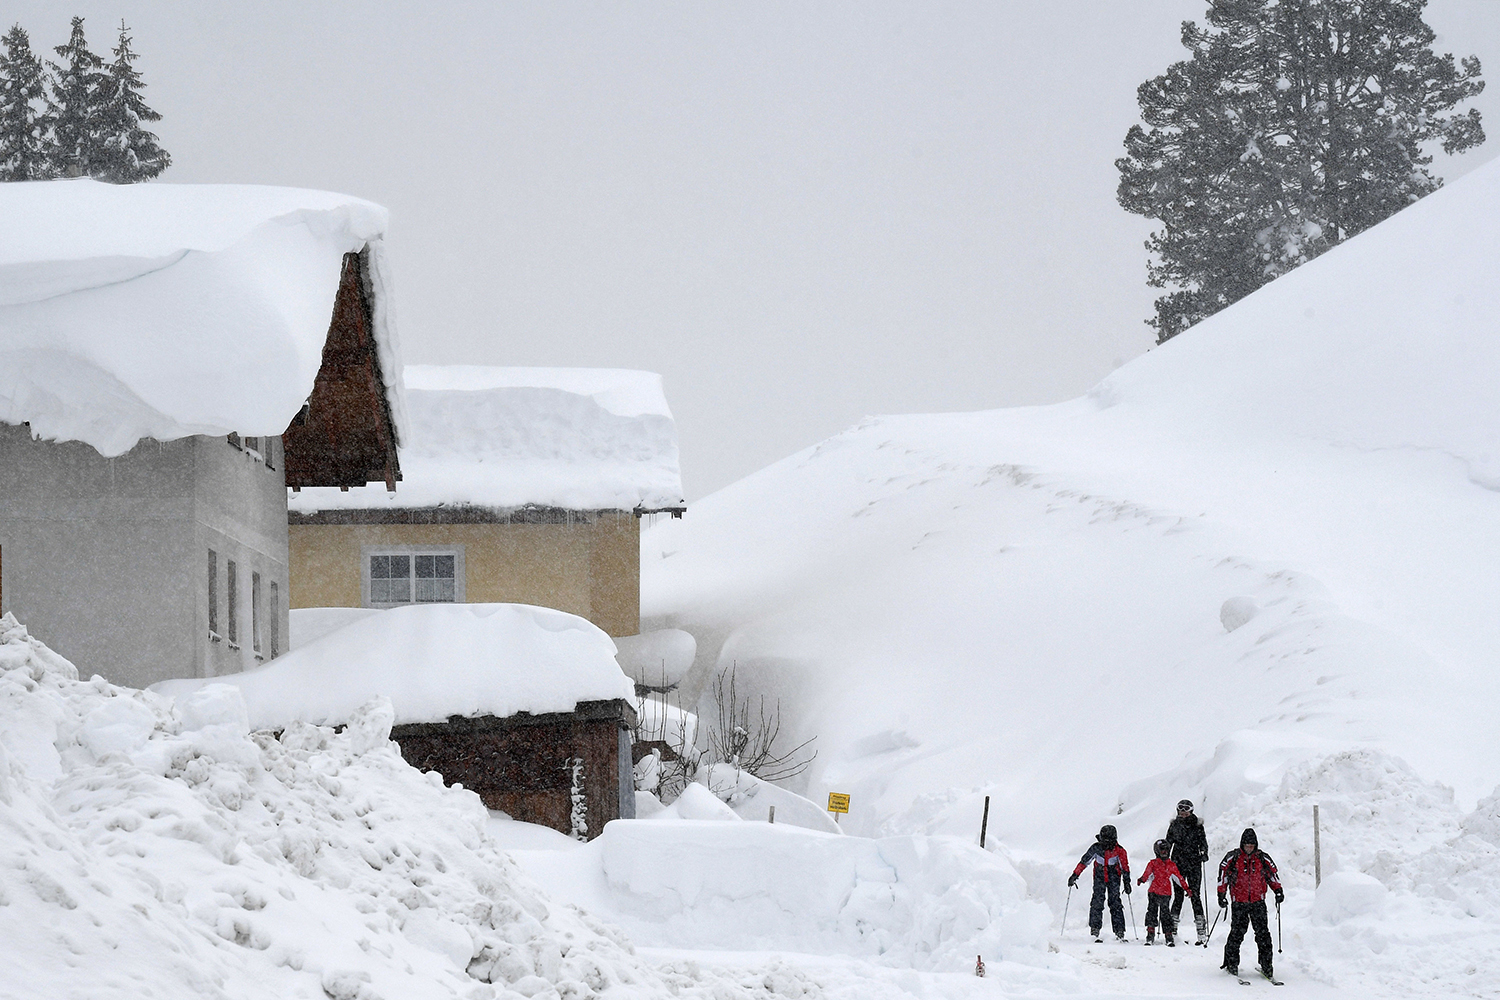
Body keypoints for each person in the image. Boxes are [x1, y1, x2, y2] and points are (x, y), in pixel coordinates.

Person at [1217, 827, 1284, 980]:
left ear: (1256, 845)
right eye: (1246, 845)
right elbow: (1223, 876)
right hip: (1239, 902)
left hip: (1258, 902)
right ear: (1242, 844)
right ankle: (1231, 964)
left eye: (1252, 846)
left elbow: (1272, 875)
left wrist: (1278, 891)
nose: (1249, 848)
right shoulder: (1232, 857)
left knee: (1263, 935)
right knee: (1237, 933)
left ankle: (1267, 966)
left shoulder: (1262, 858)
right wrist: (1221, 894)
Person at [1068, 824, 1131, 942]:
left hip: (1114, 878)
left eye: (1109, 842)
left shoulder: (1120, 851)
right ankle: (1094, 930)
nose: (1106, 845)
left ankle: (1119, 931)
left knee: (1115, 903)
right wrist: (1075, 875)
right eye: (1104, 841)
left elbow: (1125, 867)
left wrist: (1127, 882)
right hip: (1099, 877)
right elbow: (1084, 862)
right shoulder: (1096, 848)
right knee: (1097, 902)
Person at [1164, 798, 1210, 943]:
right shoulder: (1174, 825)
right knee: (1178, 896)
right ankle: (1172, 931)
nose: (1183, 812)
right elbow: (1168, 842)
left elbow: (1203, 842)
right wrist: (1163, 855)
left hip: (1194, 862)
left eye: (1186, 810)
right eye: (1181, 809)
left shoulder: (1197, 825)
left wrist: (1204, 852)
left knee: (1195, 895)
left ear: (1191, 811)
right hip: (1177, 863)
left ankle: (1201, 932)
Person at [1137, 839, 1191, 945]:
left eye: (1167, 849)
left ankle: (1168, 935)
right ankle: (1150, 934)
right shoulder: (1152, 863)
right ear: (1157, 851)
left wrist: (1187, 888)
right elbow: (1147, 874)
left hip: (1166, 893)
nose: (1165, 852)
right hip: (1153, 892)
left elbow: (1179, 878)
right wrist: (1142, 879)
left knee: (1165, 914)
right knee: (1152, 912)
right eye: (1162, 849)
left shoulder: (1171, 865)